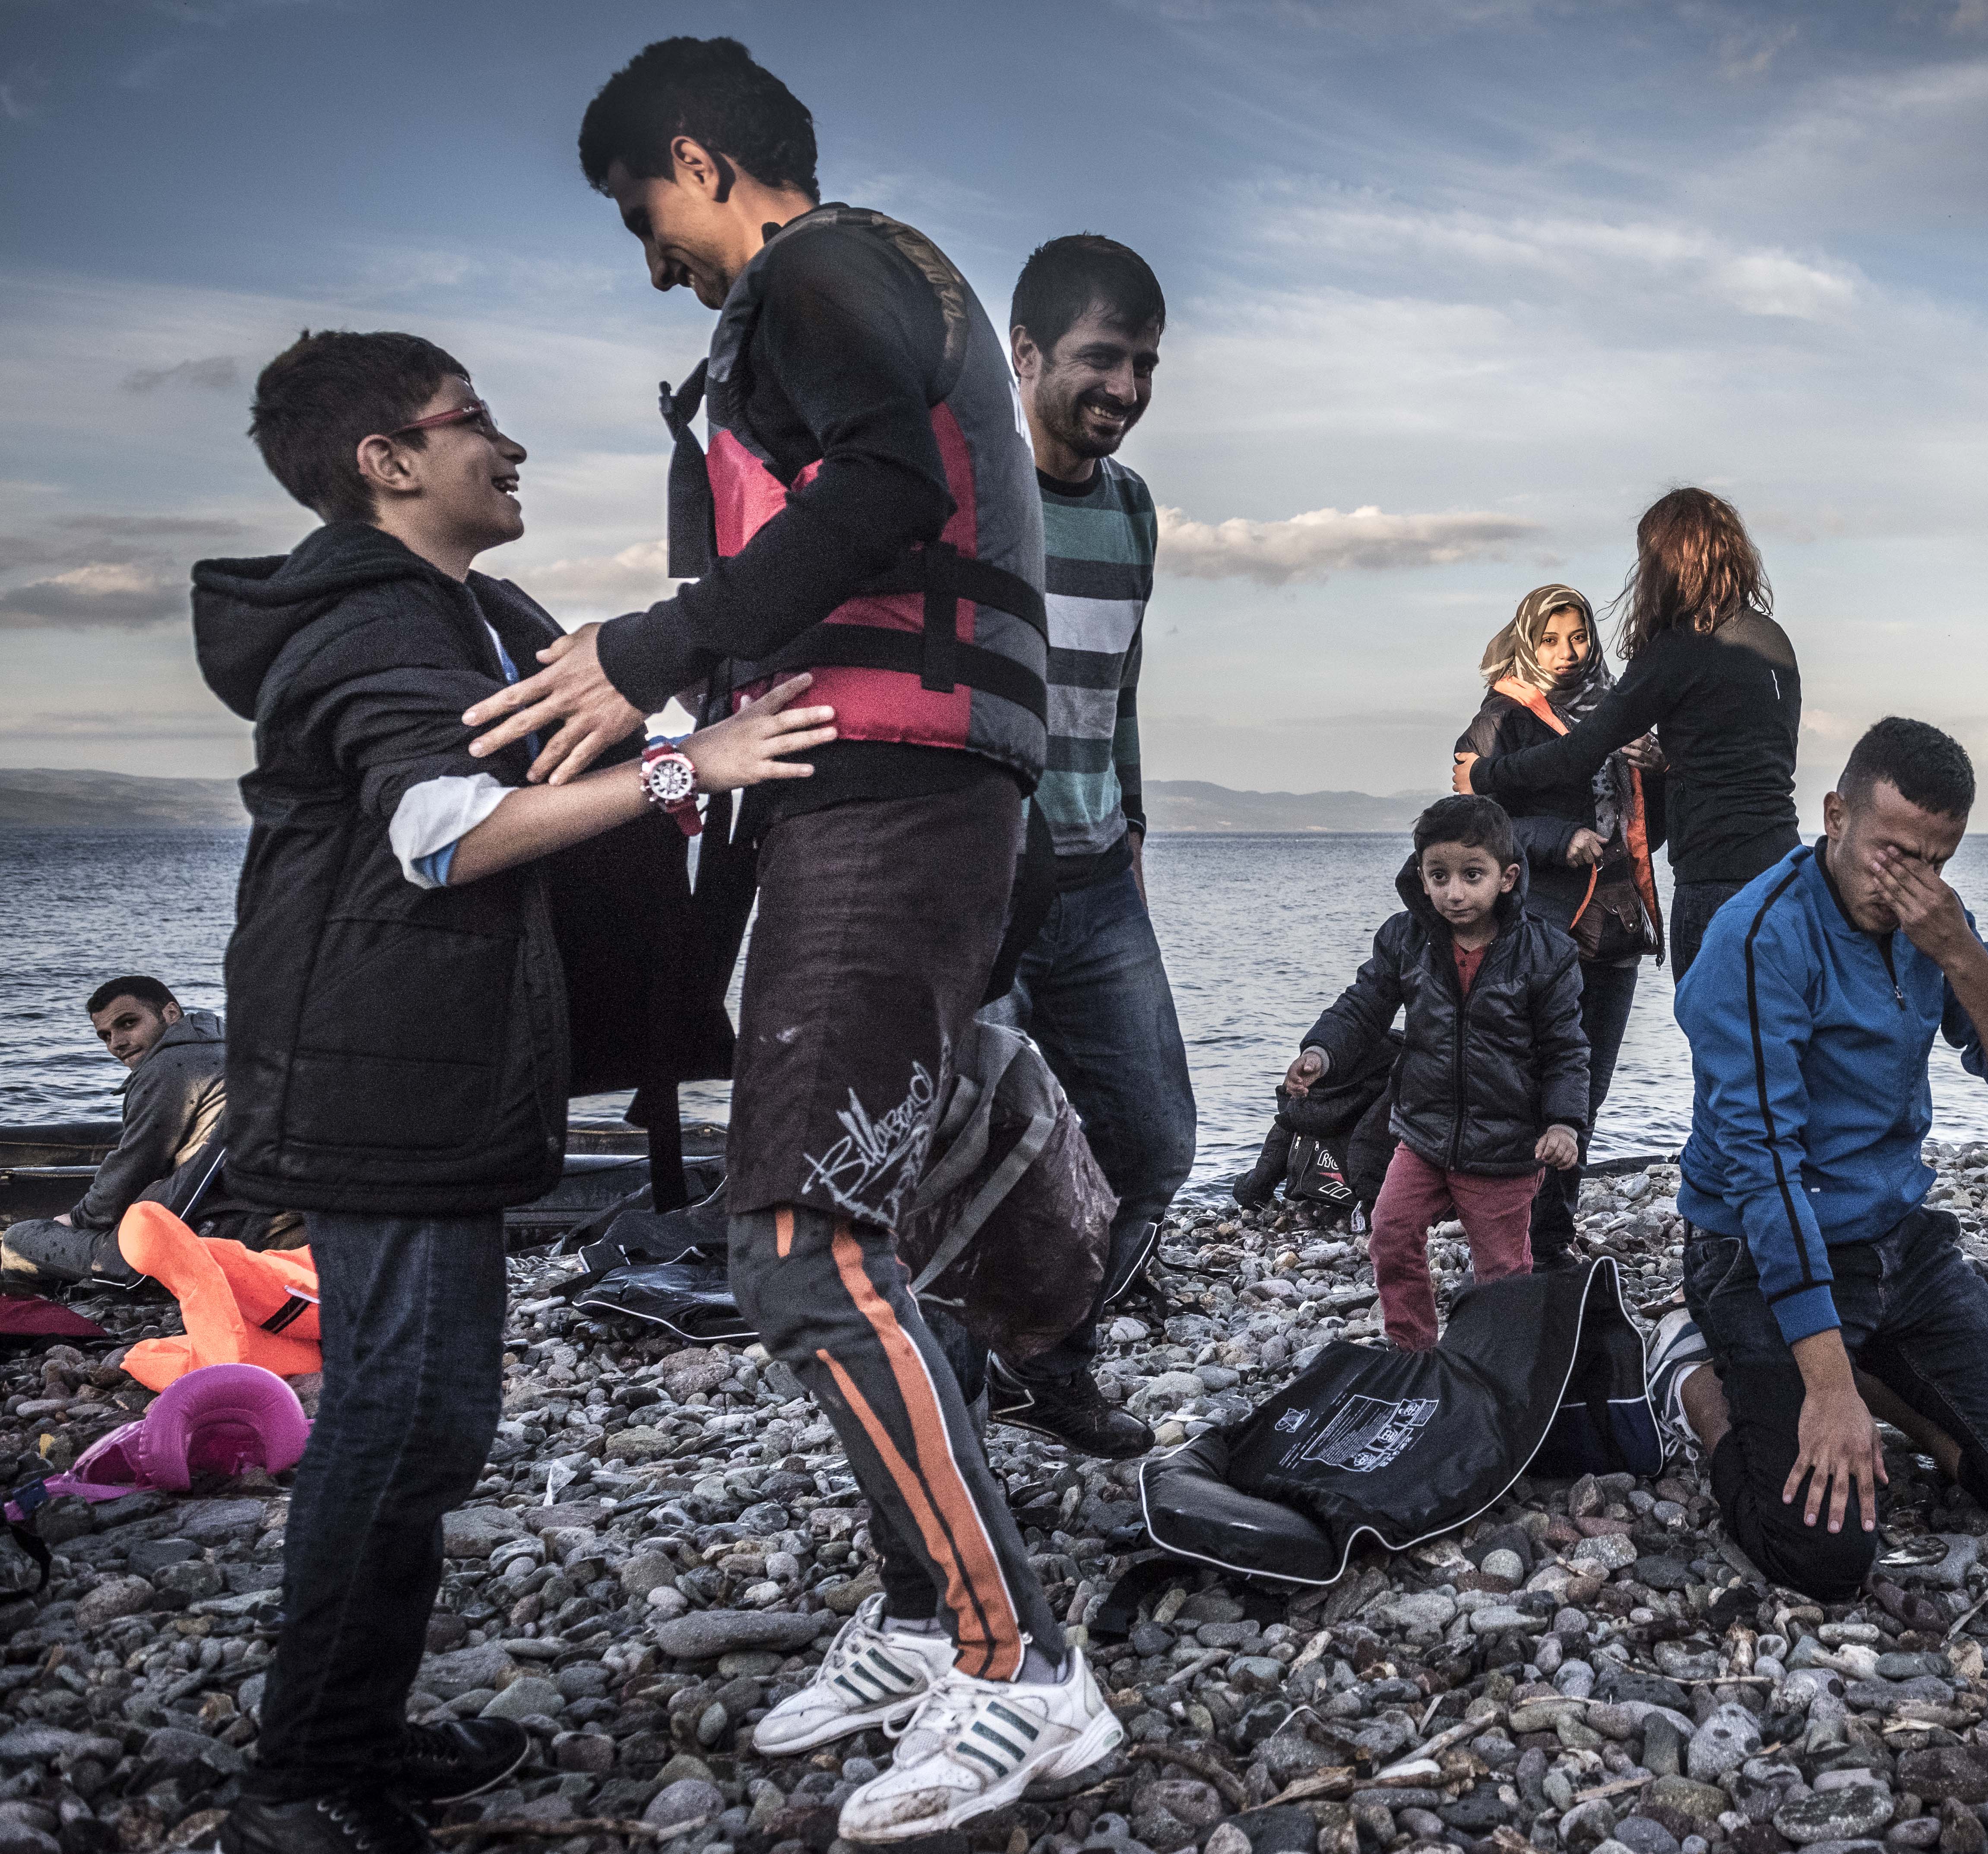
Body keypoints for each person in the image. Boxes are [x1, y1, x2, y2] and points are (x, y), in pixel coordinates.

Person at [470, 41, 1119, 1839]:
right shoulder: (858, 281)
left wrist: (653, 648)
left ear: (699, 159)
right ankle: (927, 1611)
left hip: (899, 788)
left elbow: (892, 485)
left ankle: (1020, 1665)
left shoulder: (820, 267)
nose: (648, 251)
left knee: (801, 1234)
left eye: (643, 211)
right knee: (836, 1219)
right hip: (860, 787)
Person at [195, 330, 834, 1853]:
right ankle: (298, 1782)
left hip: (432, 1065)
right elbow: (442, 827)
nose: (510, 446)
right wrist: (704, 771)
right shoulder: (370, 624)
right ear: (388, 464)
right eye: (471, 421)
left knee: (428, 1416)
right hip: (377, 1075)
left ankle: (354, 1732)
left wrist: (708, 712)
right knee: (401, 1419)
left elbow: (586, 740)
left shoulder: (467, 614)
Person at [1645, 719, 1988, 1599]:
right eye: (1891, 851)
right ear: (1834, 817)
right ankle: (1691, 1374)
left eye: (1934, 860)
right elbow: (1765, 1168)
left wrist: (1959, 952)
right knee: (1825, 1558)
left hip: (1899, 1240)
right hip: (1758, 1247)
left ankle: (1880, 1382)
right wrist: (1821, 1387)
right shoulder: (1758, 939)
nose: (1907, 881)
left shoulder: (1936, 921)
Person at [981, 233, 1195, 1459]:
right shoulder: (973, 494)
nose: (1126, 387)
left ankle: (1048, 1355)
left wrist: (1136, 838)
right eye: (1103, 358)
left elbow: (1116, 693)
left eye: (1146, 364)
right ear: (1024, 355)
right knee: (972, 1150)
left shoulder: (1131, 507)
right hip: (986, 878)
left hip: (1101, 873)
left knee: (1155, 1137)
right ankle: (954, 1390)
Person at [1283, 796, 1591, 1351]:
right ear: (1420, 876)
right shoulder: (1407, 940)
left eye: (1472, 876)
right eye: (1439, 875)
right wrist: (1321, 1054)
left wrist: (1563, 1124)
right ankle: (1412, 1348)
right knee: (1390, 1233)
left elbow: (1566, 1050)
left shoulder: (1544, 954)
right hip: (1422, 1135)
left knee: (1502, 1267)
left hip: (1504, 1147)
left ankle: (1502, 1360)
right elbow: (1362, 1007)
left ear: (1506, 877)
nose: (1454, 892)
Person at [1456, 488, 1798, 981]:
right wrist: (1667, 766)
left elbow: (1579, 753)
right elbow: (1745, 757)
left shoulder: (1677, 648)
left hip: (1714, 880)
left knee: (1718, 1040)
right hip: (1786, 873)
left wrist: (1484, 773)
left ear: (1665, 564)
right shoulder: (1773, 640)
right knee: (1777, 1032)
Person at [1453, 585, 1666, 1269]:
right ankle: (1510, 1230)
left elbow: (1644, 833)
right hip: (1542, 926)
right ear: (1526, 641)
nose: (1567, 653)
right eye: (1550, 640)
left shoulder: (1618, 714)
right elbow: (1471, 828)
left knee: (1588, 1088)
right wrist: (1555, 838)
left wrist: (1659, 775)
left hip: (1617, 924)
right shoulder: (1503, 715)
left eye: (1577, 637)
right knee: (1533, 1081)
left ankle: (1550, 1236)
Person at [0, 977, 224, 1290]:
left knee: (18, 1239)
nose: (116, 1043)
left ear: (171, 1014)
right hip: (224, 1208)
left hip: (199, 1233)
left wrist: (77, 1220)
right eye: (105, 1036)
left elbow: (134, 1170)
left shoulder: (170, 1068)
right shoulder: (221, 1048)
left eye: (128, 1023)